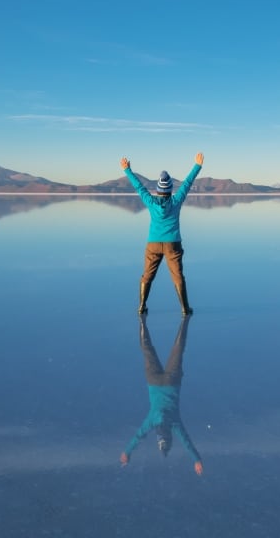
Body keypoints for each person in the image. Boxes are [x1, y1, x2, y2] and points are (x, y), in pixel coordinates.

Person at [120, 152, 204, 316]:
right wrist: (197, 166)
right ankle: (185, 309)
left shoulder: (151, 201)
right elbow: (187, 184)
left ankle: (141, 306)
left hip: (153, 244)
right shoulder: (176, 200)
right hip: (173, 244)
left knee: (147, 275)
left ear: (158, 190)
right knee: (177, 275)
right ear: (170, 189)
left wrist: (127, 170)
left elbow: (139, 187)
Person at [120, 314, 203, 476]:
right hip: (154, 381)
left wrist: (196, 459)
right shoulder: (152, 422)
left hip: (172, 381)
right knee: (147, 349)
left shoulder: (175, 425)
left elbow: (187, 443)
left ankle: (185, 319)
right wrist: (127, 452)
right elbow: (138, 436)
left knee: (178, 349)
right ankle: (142, 320)